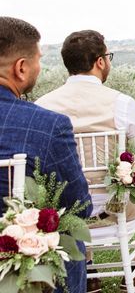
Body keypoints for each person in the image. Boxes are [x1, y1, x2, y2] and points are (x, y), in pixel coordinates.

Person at [36, 30, 135, 292]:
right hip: (114, 209)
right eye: (108, 57)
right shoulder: (122, 103)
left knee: (67, 194)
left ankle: (88, 272)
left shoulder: (43, 105)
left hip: (64, 214)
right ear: (100, 62)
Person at [0, 17, 92, 293]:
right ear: (21, 68)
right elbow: (79, 205)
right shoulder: (48, 126)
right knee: (69, 234)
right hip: (19, 269)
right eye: (38, 59)